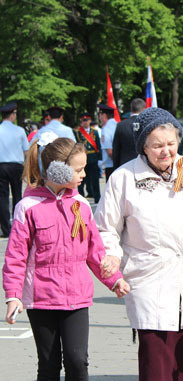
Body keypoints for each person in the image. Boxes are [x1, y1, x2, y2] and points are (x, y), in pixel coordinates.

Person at [94, 107, 183, 380]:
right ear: (143, 146)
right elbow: (106, 228)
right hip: (149, 279)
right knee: (156, 366)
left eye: (171, 143)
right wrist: (112, 258)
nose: (166, 151)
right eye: (157, 145)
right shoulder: (124, 178)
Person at [2, 131, 129, 380]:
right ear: (58, 170)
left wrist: (114, 279)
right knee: (48, 365)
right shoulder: (27, 208)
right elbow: (15, 257)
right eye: (78, 169)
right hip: (41, 298)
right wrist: (13, 296)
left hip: (77, 296)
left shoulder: (81, 205)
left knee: (77, 360)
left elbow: (95, 252)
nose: (84, 174)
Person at [0, 101, 29, 237]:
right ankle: (19, 226)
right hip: (16, 165)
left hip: (1, 166)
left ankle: (6, 229)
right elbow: (26, 151)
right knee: (18, 195)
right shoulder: (19, 130)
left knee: (3, 197)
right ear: (12, 115)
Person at [75, 112, 102, 203]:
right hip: (83, 158)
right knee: (81, 180)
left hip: (93, 157)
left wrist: (100, 159)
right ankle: (81, 198)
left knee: (95, 179)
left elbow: (98, 145)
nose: (85, 122)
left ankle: (97, 197)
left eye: (87, 120)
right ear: (81, 121)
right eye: (83, 120)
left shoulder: (95, 131)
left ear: (90, 121)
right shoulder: (78, 132)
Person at [113, 98, 146, 169]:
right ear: (144, 109)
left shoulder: (121, 125)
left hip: (125, 165)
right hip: (144, 165)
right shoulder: (147, 124)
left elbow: (116, 150)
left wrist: (116, 168)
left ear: (131, 109)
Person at [98, 103, 118, 180]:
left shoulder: (106, 129)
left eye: (100, 115)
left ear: (104, 115)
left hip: (111, 165)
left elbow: (109, 151)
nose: (99, 118)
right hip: (120, 163)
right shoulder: (118, 125)